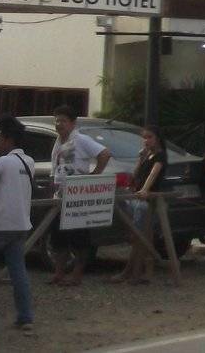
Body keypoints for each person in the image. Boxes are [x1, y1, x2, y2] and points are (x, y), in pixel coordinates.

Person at [48, 105, 110, 286]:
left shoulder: (81, 140)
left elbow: (104, 154)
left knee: (79, 238)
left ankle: (77, 275)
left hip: (77, 196)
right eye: (57, 120)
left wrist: (93, 176)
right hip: (60, 195)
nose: (59, 124)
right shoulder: (58, 142)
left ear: (73, 123)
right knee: (58, 237)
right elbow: (56, 168)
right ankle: (59, 273)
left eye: (63, 121)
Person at [0, 116, 35, 332]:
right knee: (18, 272)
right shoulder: (29, 162)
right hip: (21, 224)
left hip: (0, 224)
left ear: (8, 140)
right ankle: (25, 317)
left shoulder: (4, 162)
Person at [113, 125, 167, 285]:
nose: (146, 141)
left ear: (157, 138)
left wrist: (145, 189)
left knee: (140, 237)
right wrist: (141, 158)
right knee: (141, 237)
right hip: (138, 197)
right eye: (144, 137)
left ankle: (134, 272)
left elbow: (153, 173)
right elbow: (136, 174)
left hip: (148, 200)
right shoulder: (147, 155)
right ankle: (137, 272)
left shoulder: (160, 156)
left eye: (149, 137)